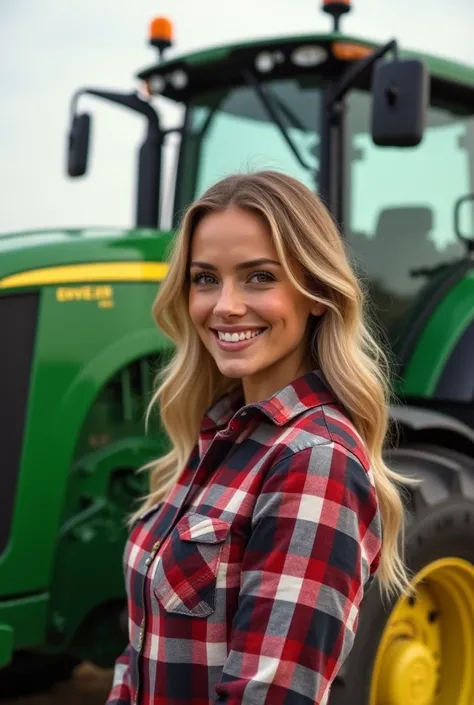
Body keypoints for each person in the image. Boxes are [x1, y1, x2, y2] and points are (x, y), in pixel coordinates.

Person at [107, 171, 409, 705]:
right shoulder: (217, 437)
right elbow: (139, 650)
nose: (225, 305)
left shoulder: (315, 461)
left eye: (259, 277)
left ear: (316, 294)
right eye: (205, 279)